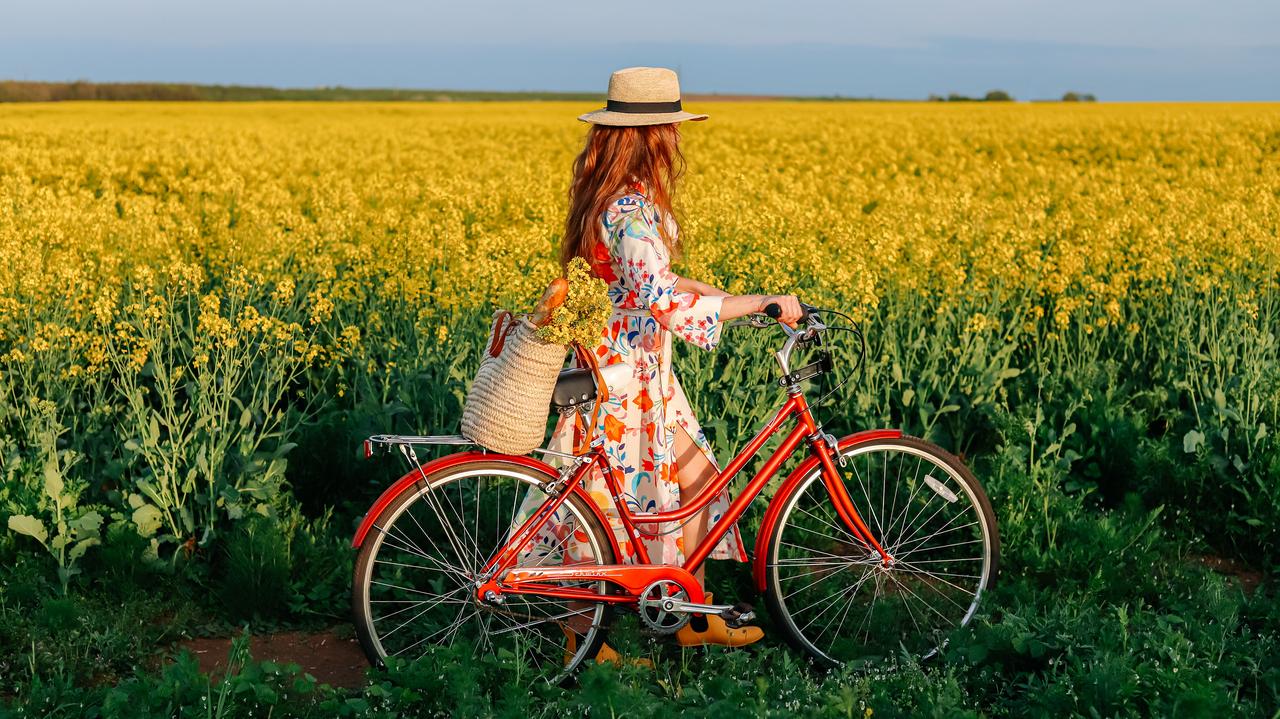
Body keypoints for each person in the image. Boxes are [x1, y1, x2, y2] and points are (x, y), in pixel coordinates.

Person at [541, 67, 803, 657]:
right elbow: (657, 297)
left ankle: (693, 615)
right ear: (652, 135)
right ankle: (579, 634)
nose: (678, 138)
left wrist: (715, 293)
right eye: (672, 128)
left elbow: (646, 278)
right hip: (622, 376)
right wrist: (755, 303)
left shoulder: (615, 197)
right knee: (601, 502)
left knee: (699, 480)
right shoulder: (628, 208)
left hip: (642, 371)